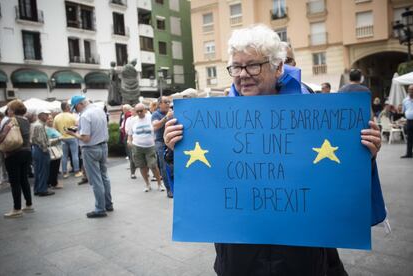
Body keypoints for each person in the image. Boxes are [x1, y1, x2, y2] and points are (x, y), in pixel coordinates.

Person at [164, 24, 382, 276]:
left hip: (300, 252)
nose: (243, 74)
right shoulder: (210, 120)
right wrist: (174, 150)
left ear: (278, 67)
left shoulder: (314, 110)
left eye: (253, 65)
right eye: (236, 66)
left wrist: (366, 153)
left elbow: (339, 179)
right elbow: (200, 186)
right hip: (239, 252)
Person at [66, 95, 113, 218]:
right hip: (103, 146)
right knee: (104, 177)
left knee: (96, 180)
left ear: (80, 104)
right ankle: (108, 204)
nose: (75, 110)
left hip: (91, 149)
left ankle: (100, 209)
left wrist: (73, 134)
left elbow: (85, 138)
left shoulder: (85, 115)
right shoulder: (99, 110)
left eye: (75, 107)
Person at [0, 100, 33, 218]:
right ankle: (29, 204)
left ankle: (17, 209)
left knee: (15, 182)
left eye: (8, 109)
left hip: (13, 153)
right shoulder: (25, 120)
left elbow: (1, 136)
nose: (7, 111)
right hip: (26, 152)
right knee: (24, 179)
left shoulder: (10, 121)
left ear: (12, 111)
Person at [127, 103, 165, 192]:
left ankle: (160, 183)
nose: (140, 113)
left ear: (145, 110)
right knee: (142, 166)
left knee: (153, 165)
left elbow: (157, 126)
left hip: (150, 146)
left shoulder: (150, 117)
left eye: (141, 111)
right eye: (137, 111)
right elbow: (130, 134)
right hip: (137, 146)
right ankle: (147, 184)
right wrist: (129, 141)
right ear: (135, 112)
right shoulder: (133, 120)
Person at [53, 101, 82, 179]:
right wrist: (71, 131)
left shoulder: (56, 117)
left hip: (62, 138)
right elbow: (77, 127)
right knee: (75, 155)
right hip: (72, 137)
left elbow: (55, 129)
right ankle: (77, 171)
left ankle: (65, 173)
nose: (70, 107)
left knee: (64, 156)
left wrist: (61, 133)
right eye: (68, 106)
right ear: (67, 107)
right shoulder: (72, 116)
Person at [31, 109, 57, 197]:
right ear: (41, 115)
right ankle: (42, 189)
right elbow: (42, 141)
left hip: (36, 149)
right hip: (41, 150)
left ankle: (37, 189)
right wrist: (46, 150)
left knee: (38, 170)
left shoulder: (35, 124)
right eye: (46, 115)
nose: (47, 116)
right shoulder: (40, 126)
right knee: (43, 171)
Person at [152, 96, 174, 198]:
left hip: (171, 141)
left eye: (169, 102)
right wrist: (166, 117)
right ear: (159, 104)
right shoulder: (156, 114)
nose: (168, 104)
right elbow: (155, 126)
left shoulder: (172, 112)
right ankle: (169, 189)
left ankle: (176, 186)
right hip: (161, 142)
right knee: (164, 167)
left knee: (174, 165)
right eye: (165, 102)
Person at [46, 115, 63, 189]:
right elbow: (48, 141)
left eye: (51, 118)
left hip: (57, 149)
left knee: (55, 167)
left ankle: (53, 182)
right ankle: (53, 183)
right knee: (53, 167)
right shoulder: (46, 129)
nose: (50, 120)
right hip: (52, 150)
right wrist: (58, 138)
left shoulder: (52, 127)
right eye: (48, 119)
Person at [401, 84, 413, 158]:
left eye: (412, 90)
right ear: (408, 91)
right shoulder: (405, 100)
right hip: (409, 121)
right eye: (410, 90)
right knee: (409, 138)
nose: (411, 91)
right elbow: (404, 110)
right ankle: (408, 154)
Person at [0, 111, 8, 185]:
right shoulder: (3, 122)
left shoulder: (3, 122)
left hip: (3, 145)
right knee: (1, 162)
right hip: (2, 145)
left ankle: (3, 178)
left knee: (2, 162)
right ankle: (3, 178)